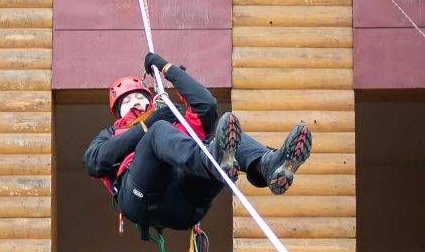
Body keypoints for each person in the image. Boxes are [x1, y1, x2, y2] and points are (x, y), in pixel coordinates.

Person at [83, 52, 312, 233]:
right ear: (117, 109)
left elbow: (206, 106)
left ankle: (266, 165)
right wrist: (147, 126)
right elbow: (94, 162)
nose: (136, 103)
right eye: (128, 100)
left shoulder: (171, 122)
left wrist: (168, 70)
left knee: (217, 139)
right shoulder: (114, 133)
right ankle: (213, 161)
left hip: (185, 205)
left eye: (141, 97)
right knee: (162, 133)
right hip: (140, 199)